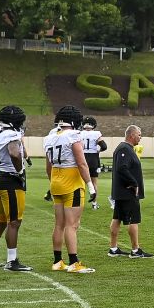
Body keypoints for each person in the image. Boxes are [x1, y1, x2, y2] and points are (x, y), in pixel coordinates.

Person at [0, 105, 32, 271]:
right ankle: (12, 261)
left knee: (2, 221)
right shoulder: (12, 135)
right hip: (10, 181)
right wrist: (19, 171)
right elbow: (15, 153)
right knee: (14, 222)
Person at [45, 105, 96, 274]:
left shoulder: (50, 137)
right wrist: (90, 185)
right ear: (74, 121)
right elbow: (81, 163)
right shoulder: (73, 135)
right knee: (72, 225)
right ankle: (74, 262)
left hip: (56, 180)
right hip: (71, 181)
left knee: (59, 224)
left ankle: (57, 261)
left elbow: (48, 166)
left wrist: (53, 181)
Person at [108, 125, 152, 259]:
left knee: (117, 218)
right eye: (139, 134)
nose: (141, 137)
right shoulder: (124, 149)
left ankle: (113, 248)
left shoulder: (126, 148)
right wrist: (133, 183)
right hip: (127, 192)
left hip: (121, 191)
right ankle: (135, 250)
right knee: (133, 220)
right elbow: (122, 168)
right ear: (131, 135)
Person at [79, 117, 107, 209]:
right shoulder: (96, 134)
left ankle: (79, 202)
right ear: (93, 125)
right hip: (93, 159)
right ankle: (94, 204)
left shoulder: (79, 133)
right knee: (94, 182)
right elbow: (104, 146)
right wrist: (98, 150)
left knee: (81, 182)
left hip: (82, 158)